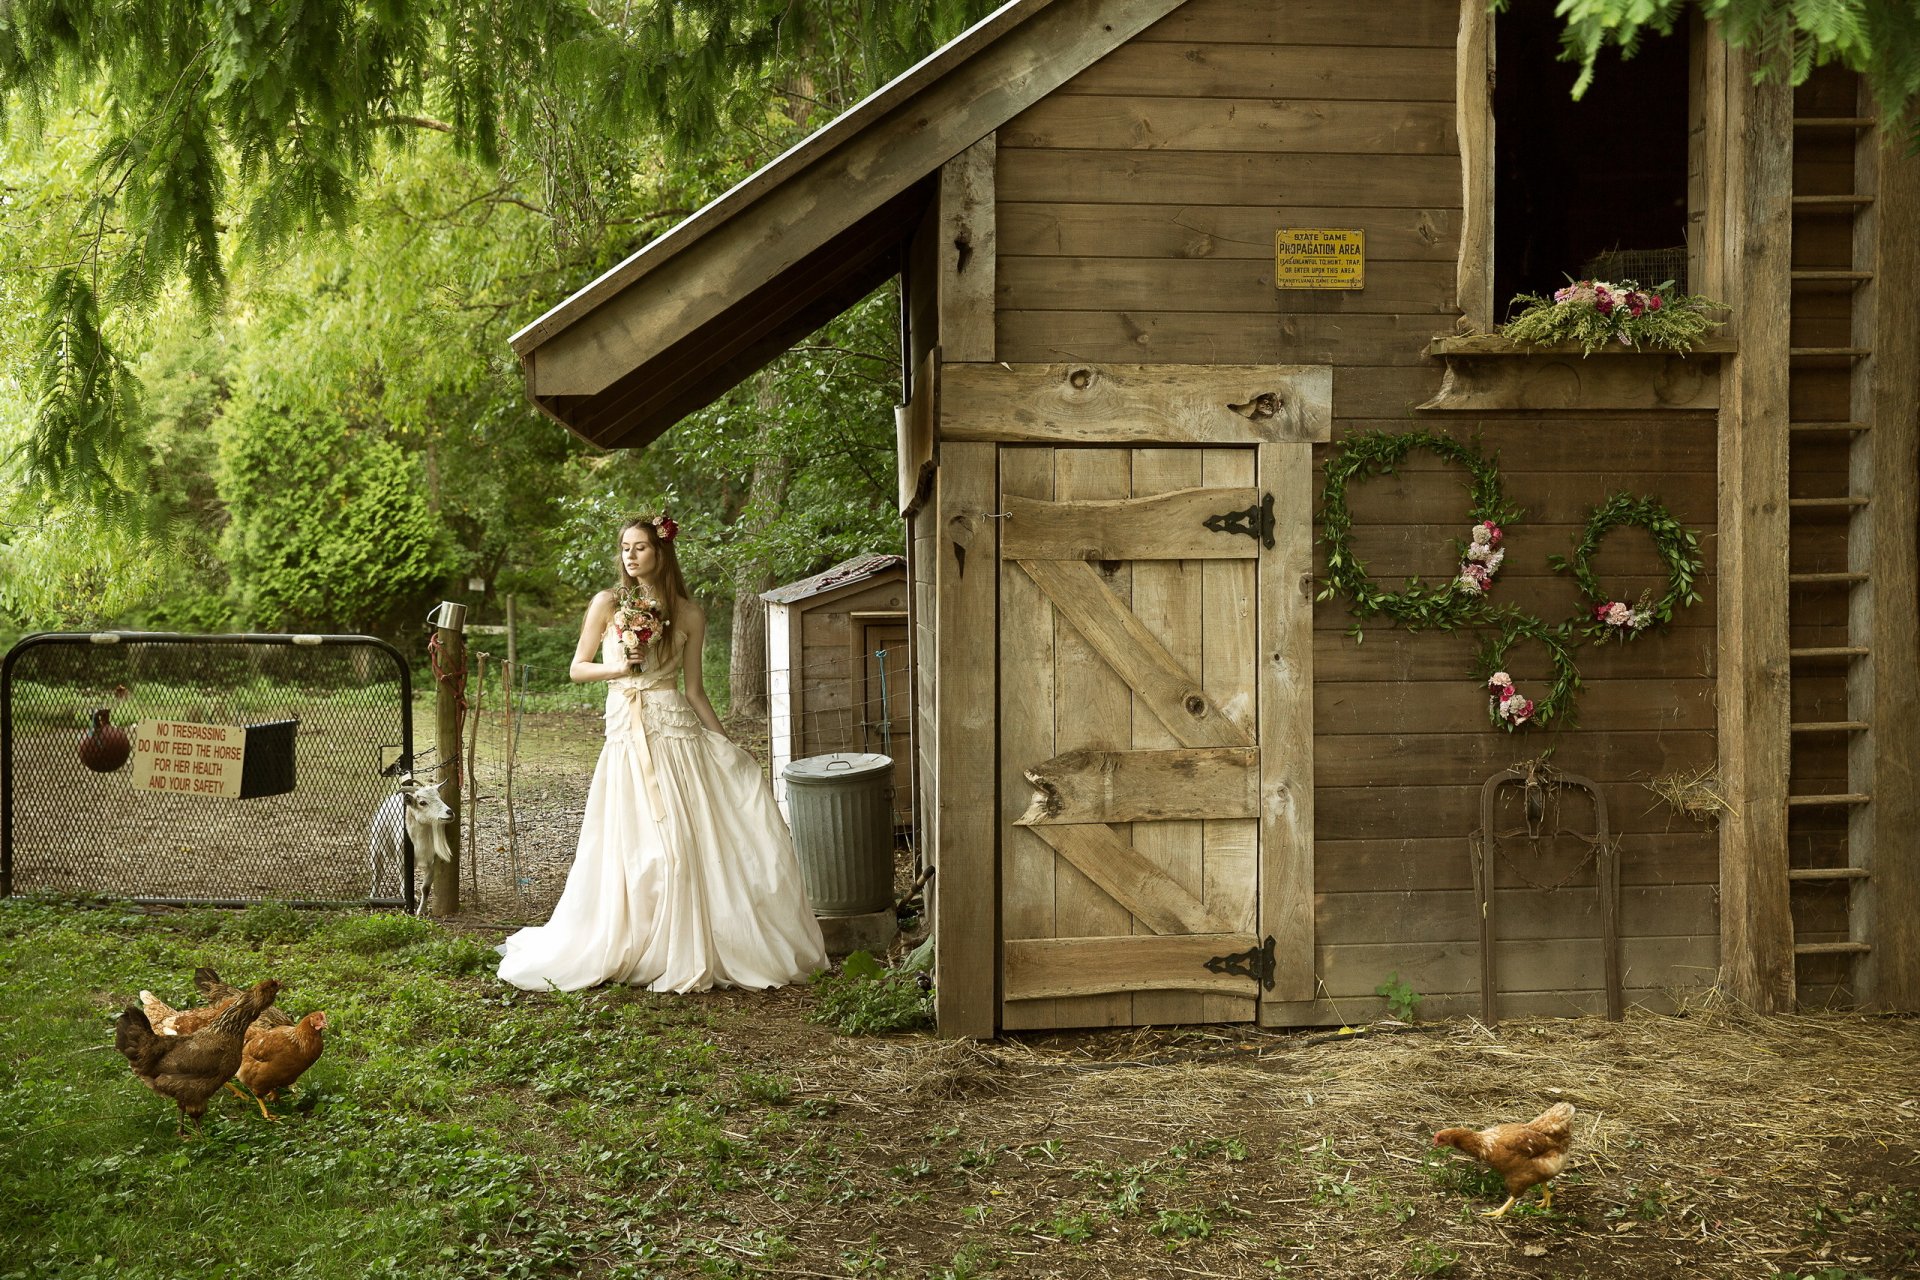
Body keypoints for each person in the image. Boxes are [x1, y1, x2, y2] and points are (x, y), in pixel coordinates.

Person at [497, 512, 827, 992]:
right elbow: (576, 668)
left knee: (681, 842)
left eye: (641, 547)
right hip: (627, 735)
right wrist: (619, 669)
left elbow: (694, 690)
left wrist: (727, 744)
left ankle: (689, 942)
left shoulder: (690, 613)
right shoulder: (608, 603)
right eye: (625, 548)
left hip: (673, 731)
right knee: (633, 842)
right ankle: (635, 937)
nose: (630, 556)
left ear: (662, 551)